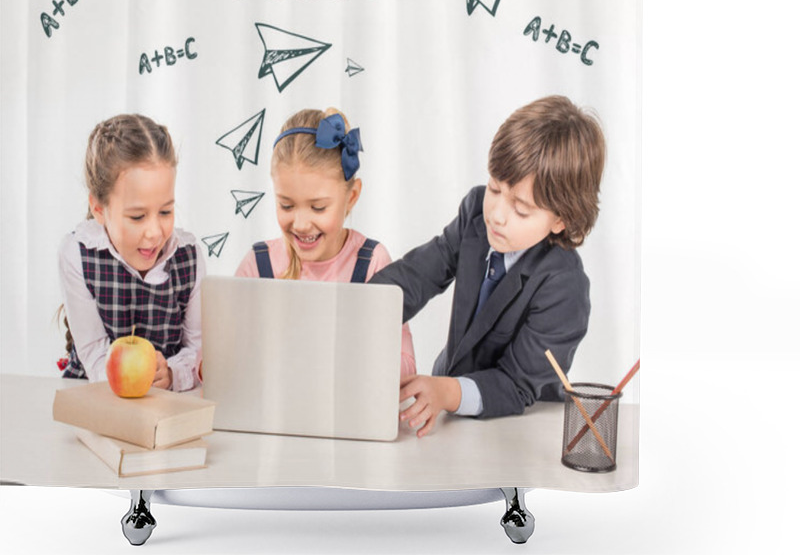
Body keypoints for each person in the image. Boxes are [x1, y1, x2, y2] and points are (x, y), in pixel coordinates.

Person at [371, 95, 606, 436]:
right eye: (495, 188)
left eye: (521, 209)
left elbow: (516, 385)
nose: (496, 214)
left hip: (516, 424)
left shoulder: (565, 286)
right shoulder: (475, 216)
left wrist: (446, 392)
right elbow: (417, 276)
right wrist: (356, 311)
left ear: (561, 220)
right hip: (448, 402)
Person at [235, 107, 416, 378]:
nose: (301, 223)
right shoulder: (258, 263)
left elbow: (407, 366)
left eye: (318, 208)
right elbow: (220, 357)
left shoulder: (372, 263)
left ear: (351, 197)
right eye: (286, 205)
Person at [58, 114, 204, 391]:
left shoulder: (189, 257)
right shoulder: (77, 254)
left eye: (165, 212)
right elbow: (93, 355)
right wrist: (130, 379)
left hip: (165, 405)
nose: (154, 233)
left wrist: (172, 374)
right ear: (99, 209)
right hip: (95, 398)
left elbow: (197, 351)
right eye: (137, 217)